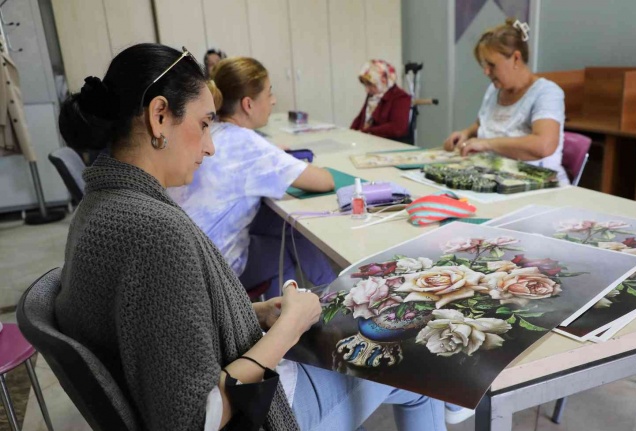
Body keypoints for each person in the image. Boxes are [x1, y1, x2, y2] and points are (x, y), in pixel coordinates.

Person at [55, 43, 448, 431]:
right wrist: (289, 327)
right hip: (262, 412)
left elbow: (166, 325)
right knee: (417, 367)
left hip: (217, 370)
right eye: (204, 124)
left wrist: (255, 313)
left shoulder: (104, 205)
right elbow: (195, 419)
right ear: (159, 116)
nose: (210, 147)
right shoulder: (156, 234)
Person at [168, 56, 337, 299]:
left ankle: (320, 305)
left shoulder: (210, 130)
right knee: (288, 242)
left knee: (279, 223)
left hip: (185, 260)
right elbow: (324, 181)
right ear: (248, 104)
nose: (274, 101)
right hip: (212, 272)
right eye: (269, 94)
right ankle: (324, 306)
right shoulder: (247, 144)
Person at [443, 19, 568, 185]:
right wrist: (465, 133)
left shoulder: (546, 93)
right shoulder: (494, 90)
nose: (486, 71)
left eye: (491, 65)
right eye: (483, 65)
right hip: (494, 178)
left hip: (536, 185)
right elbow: (483, 124)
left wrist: (487, 144)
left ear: (516, 58)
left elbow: (544, 145)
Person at [351, 59, 412, 141]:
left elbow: (398, 128)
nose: (367, 90)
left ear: (383, 80)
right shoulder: (373, 94)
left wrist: (367, 132)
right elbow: (361, 118)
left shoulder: (400, 97)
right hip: (369, 141)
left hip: (389, 146)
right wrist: (350, 134)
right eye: (365, 85)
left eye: (370, 85)